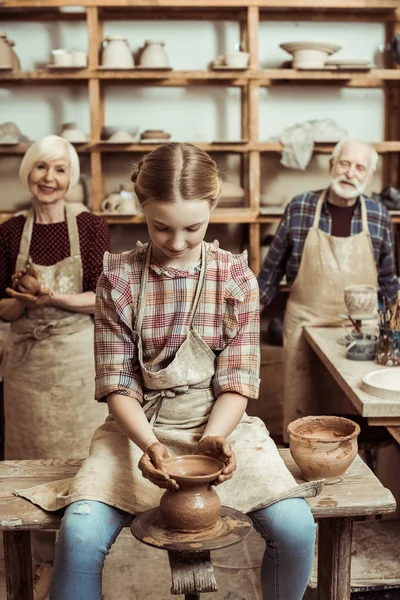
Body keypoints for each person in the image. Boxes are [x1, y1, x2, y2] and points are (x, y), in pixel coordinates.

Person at [16, 143, 321, 600]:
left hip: (222, 427)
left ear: (213, 208)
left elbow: (237, 380)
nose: (176, 243)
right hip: (141, 429)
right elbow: (118, 384)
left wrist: (214, 440)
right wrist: (151, 444)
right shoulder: (117, 280)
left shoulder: (235, 278)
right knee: (79, 535)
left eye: (193, 229)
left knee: (297, 528)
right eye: (161, 227)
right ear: (142, 208)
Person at [0, 135, 110, 599]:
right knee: (30, 465)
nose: (50, 178)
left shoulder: (90, 226)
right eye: (42, 167)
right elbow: (1, 307)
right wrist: (21, 303)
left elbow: (102, 298)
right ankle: (41, 558)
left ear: (72, 177)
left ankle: (82, 552)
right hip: (27, 366)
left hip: (76, 364)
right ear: (28, 171)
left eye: (60, 169)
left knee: (82, 462)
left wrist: (53, 297)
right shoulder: (9, 231)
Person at [258, 138, 399, 440]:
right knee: (304, 413)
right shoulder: (300, 207)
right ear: (332, 165)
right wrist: (240, 318)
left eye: (360, 168)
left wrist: (396, 334)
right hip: (306, 327)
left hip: (363, 334)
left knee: (358, 415)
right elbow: (270, 274)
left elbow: (389, 284)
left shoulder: (378, 216)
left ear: (369, 177)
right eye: (345, 163)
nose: (350, 172)